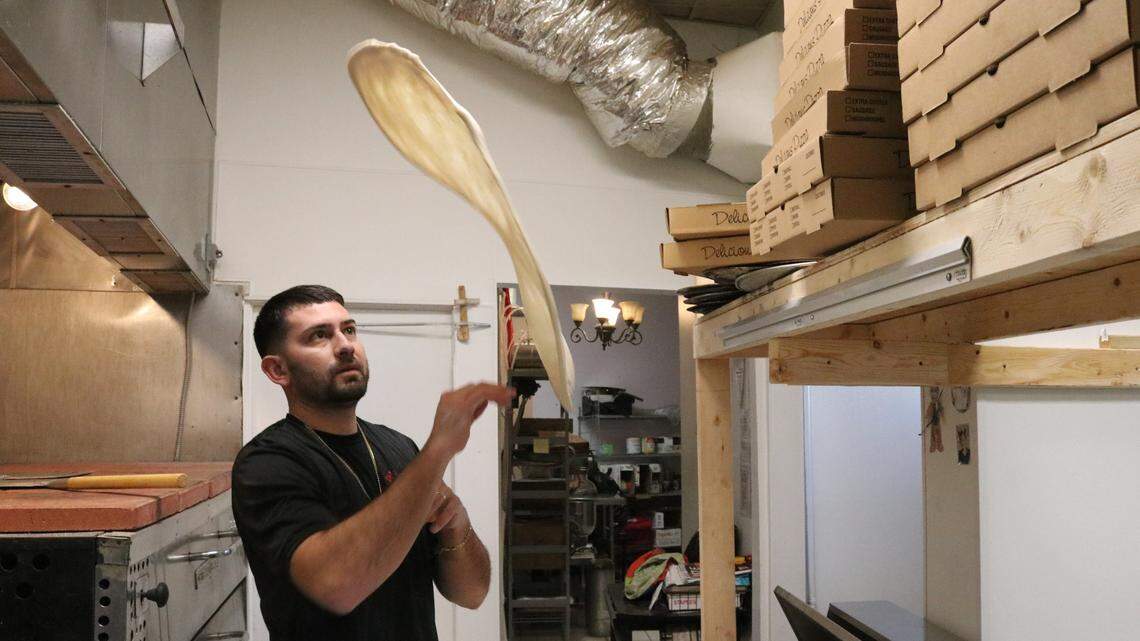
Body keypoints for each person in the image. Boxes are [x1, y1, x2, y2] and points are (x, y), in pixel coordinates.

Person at [232, 285, 513, 641]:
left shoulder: (400, 448)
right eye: (319, 336)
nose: (345, 345)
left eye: (349, 330)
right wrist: (439, 449)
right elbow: (337, 587)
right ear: (277, 370)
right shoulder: (267, 462)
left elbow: (471, 594)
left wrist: (458, 526)